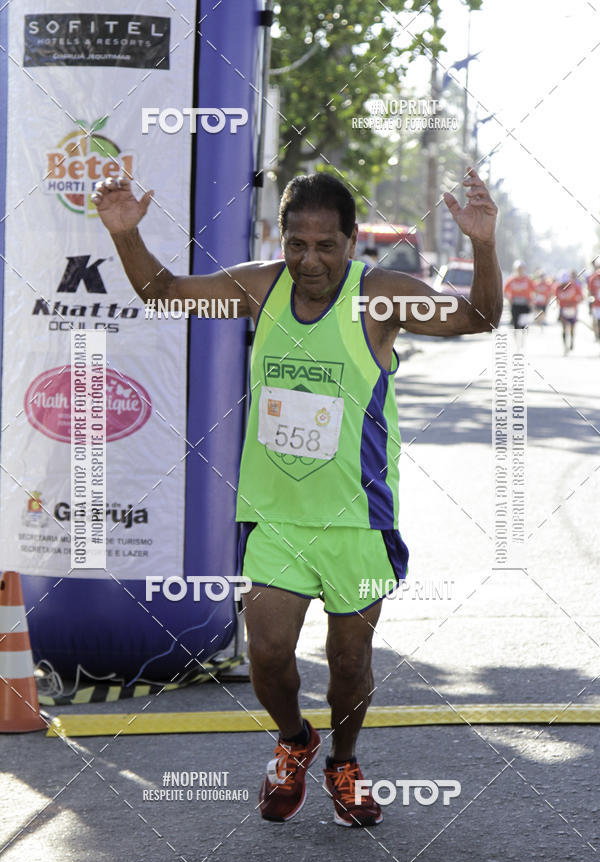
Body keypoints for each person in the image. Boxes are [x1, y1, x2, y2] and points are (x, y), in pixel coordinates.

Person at [91, 167, 502, 827]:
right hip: (277, 515)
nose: (309, 260)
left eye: (325, 246)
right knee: (270, 652)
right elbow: (163, 292)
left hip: (358, 522)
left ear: (352, 241)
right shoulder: (261, 286)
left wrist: (482, 242)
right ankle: (293, 740)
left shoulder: (381, 298)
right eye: (296, 244)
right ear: (280, 239)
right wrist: (124, 234)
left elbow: (479, 316)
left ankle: (343, 759)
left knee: (348, 664)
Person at [504, 261, 535, 335]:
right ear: (515, 269)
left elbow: (534, 291)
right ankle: (517, 339)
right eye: (518, 269)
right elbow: (504, 291)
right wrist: (509, 300)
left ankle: (522, 339)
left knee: (523, 325)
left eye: (521, 268)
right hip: (515, 304)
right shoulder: (511, 279)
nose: (520, 270)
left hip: (525, 305)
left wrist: (531, 301)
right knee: (515, 324)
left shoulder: (528, 279)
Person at [555, 270, 583, 354]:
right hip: (563, 309)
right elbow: (557, 299)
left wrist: (575, 302)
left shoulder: (575, 286)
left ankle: (571, 342)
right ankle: (564, 346)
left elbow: (581, 297)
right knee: (564, 328)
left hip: (573, 309)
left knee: (572, 328)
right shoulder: (558, 288)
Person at [587, 259, 600, 342]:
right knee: (595, 320)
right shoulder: (593, 278)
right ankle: (596, 335)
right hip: (596, 304)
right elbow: (590, 292)